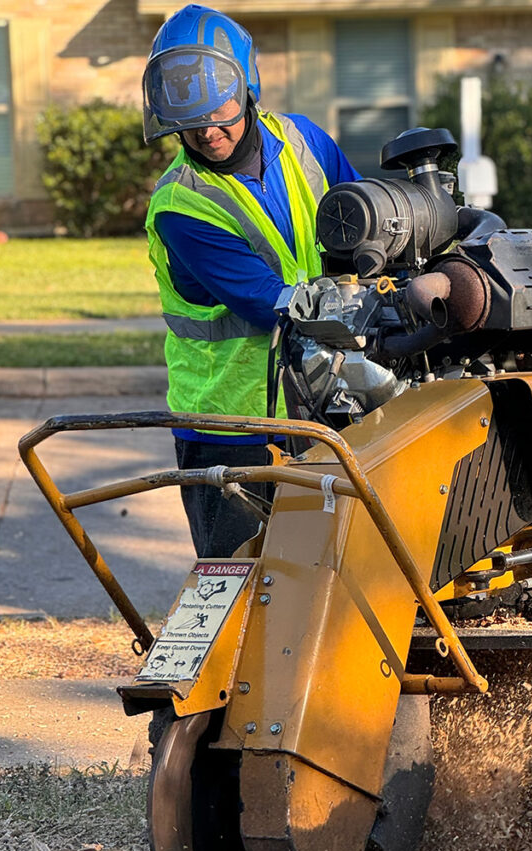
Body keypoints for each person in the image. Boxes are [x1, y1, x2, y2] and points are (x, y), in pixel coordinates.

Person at [142, 4, 360, 558]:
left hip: (319, 408)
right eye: (190, 123)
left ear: (248, 89)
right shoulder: (180, 205)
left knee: (331, 577)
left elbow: (363, 225)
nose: (209, 132)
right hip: (228, 427)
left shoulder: (305, 141)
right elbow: (269, 300)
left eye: (220, 112)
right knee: (240, 585)